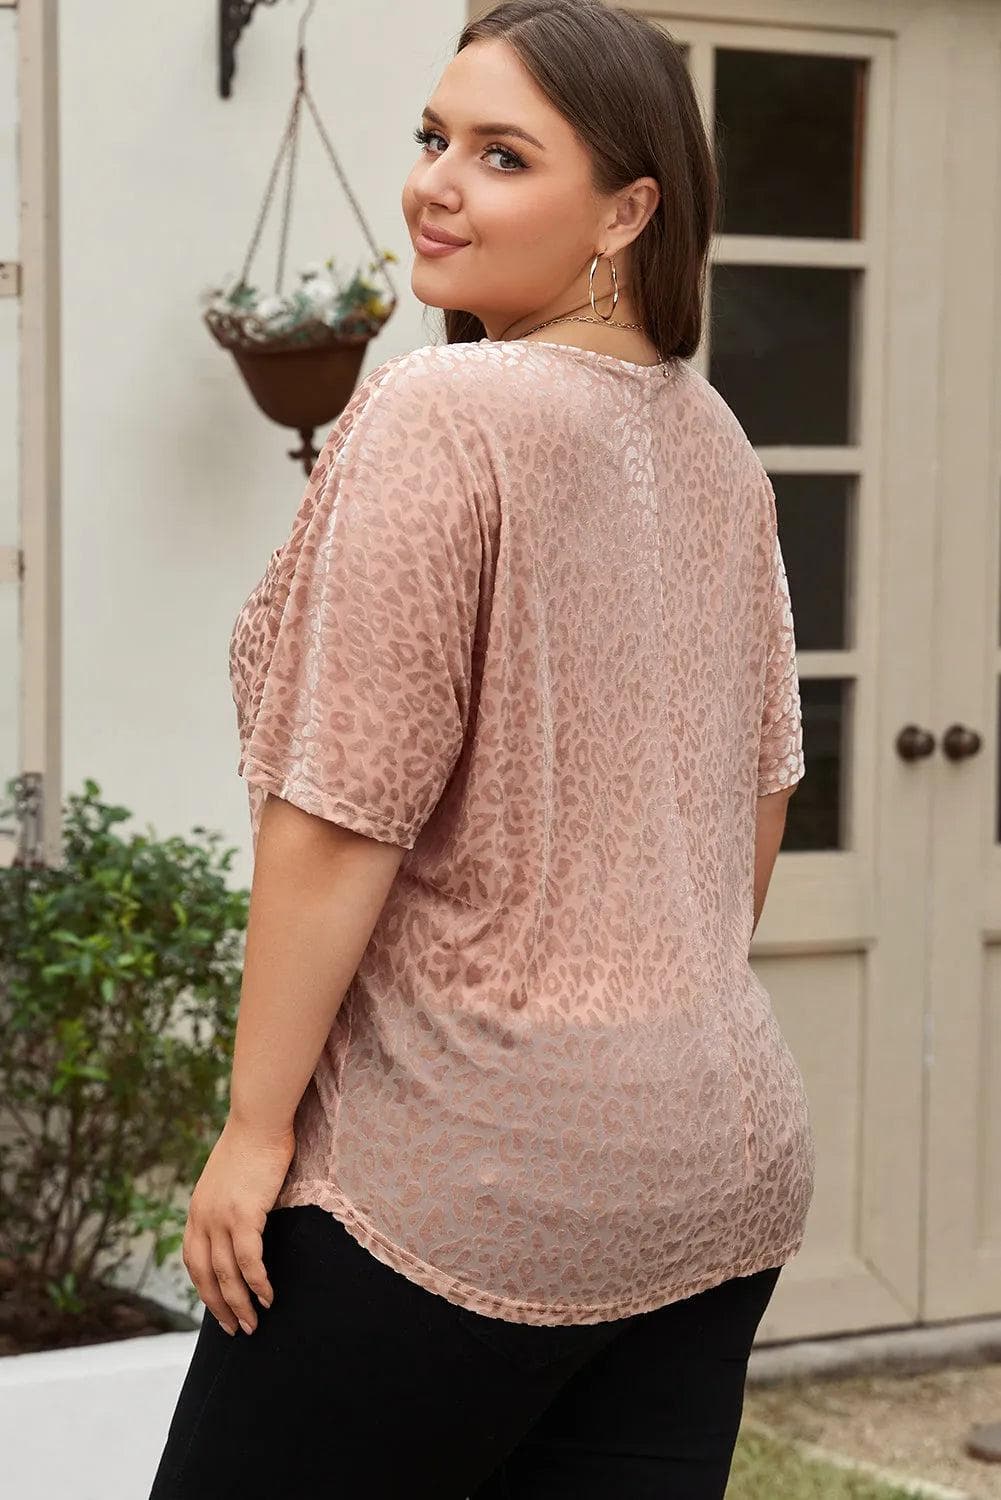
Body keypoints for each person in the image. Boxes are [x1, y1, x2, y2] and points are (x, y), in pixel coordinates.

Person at [148, 1, 814, 1496]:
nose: (435, 185)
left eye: (503, 156)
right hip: (715, 1162)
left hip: (460, 1176)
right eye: (433, 138)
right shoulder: (718, 444)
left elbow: (340, 814)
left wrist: (254, 1130)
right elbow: (757, 796)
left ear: (626, 212)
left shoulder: (441, 412)